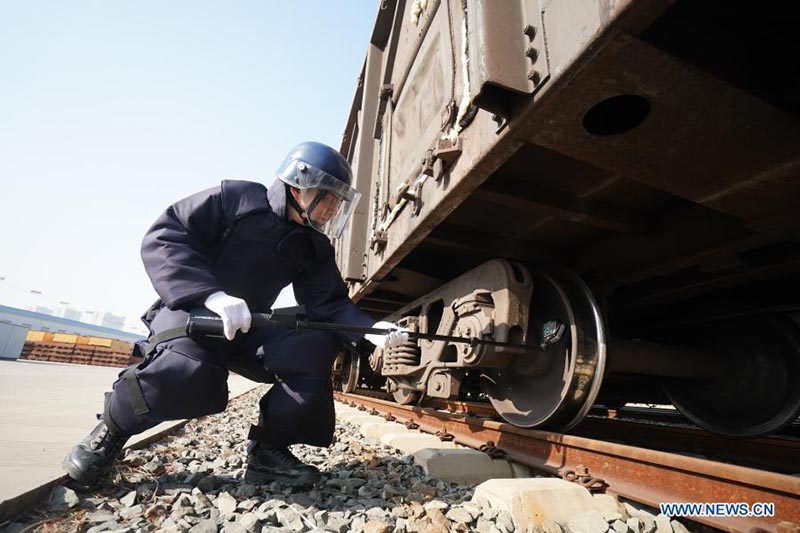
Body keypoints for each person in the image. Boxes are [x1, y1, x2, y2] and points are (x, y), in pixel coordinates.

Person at [63, 142, 408, 488]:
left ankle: (268, 452)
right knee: (188, 372)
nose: (333, 209)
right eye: (328, 197)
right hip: (189, 314)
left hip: (247, 328)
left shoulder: (313, 246)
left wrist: (370, 330)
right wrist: (210, 294)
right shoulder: (238, 200)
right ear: (299, 184)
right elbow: (167, 235)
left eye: (338, 202)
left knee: (314, 344)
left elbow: (329, 305)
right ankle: (111, 430)